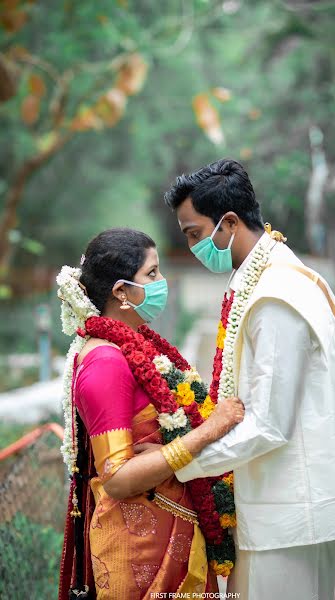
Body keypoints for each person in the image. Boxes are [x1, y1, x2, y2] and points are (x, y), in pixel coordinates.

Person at [163, 158, 335, 600]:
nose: (194, 246)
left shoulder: (275, 297)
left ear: (228, 223)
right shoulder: (263, 279)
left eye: (195, 233)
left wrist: (179, 462)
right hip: (272, 502)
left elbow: (268, 425)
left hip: (287, 513)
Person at [57, 227, 245, 600]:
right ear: (121, 293)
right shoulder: (105, 362)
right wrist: (209, 431)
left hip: (169, 533)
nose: (162, 282)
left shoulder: (131, 345)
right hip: (138, 553)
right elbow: (119, 479)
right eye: (152, 274)